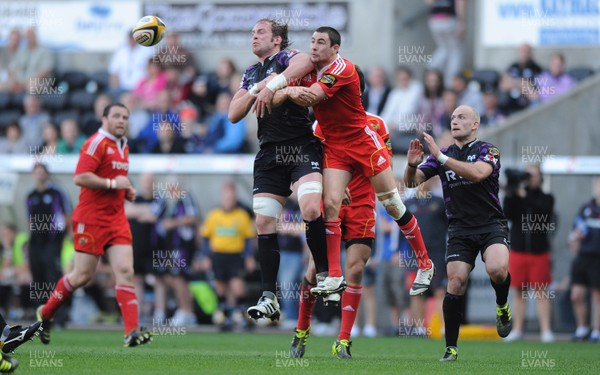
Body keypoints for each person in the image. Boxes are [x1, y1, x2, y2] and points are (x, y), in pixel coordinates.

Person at [269, 26, 434, 299]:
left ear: (335, 49)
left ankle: (425, 264)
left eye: (321, 42)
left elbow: (313, 97)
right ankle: (334, 275)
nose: (314, 46)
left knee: (392, 204)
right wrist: (277, 86)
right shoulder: (307, 69)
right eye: (312, 41)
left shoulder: (343, 69)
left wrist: (281, 86)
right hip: (335, 146)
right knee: (331, 204)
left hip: (362, 142)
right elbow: (277, 98)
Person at [228, 19, 329, 321]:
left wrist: (273, 85)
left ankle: (325, 276)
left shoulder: (288, 57)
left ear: (277, 40)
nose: (253, 36)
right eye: (252, 32)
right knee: (263, 224)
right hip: (270, 153)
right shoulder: (250, 73)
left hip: (300, 145)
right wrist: (260, 87)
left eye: (259, 32)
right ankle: (269, 296)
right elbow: (234, 113)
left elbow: (305, 61)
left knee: (310, 207)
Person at [35, 103, 153, 347]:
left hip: (116, 219)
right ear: (104, 119)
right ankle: (45, 313)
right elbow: (80, 176)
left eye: (125, 117)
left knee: (125, 271)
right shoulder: (96, 143)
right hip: (91, 219)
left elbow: (116, 177)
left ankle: (131, 332)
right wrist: (113, 185)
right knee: (81, 276)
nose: (122, 120)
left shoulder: (124, 145)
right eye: (117, 116)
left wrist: (127, 189)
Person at [404, 105, 512, 362]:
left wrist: (441, 159)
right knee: (455, 281)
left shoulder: (488, 150)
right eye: (452, 117)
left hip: (490, 224)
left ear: (475, 124)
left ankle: (502, 306)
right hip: (460, 228)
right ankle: (450, 348)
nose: (455, 121)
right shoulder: (443, 154)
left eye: (462, 117)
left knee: (497, 269)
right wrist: (410, 165)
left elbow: (478, 174)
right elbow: (410, 183)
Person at [290, 105, 392, 359]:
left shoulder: (377, 124)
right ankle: (302, 330)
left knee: (356, 269)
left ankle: (344, 340)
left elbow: (384, 165)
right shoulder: (321, 125)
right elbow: (310, 166)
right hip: (332, 201)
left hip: (362, 203)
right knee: (315, 267)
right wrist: (329, 185)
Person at [503, 164, 555, 342]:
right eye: (528, 175)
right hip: (518, 250)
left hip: (539, 252)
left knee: (541, 291)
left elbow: (543, 213)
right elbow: (507, 214)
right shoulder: (517, 196)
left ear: (540, 177)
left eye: (534, 175)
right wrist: (511, 192)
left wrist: (523, 195)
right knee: (519, 291)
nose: (531, 178)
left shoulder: (547, 198)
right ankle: (517, 329)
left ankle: (545, 331)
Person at [200, 180, 255, 331]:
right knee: (220, 288)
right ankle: (225, 317)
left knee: (238, 287)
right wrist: (205, 257)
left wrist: (249, 257)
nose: (228, 201)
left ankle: (244, 315)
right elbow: (206, 238)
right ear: (222, 199)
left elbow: (248, 239)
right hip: (218, 255)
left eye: (231, 199)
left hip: (235, 255)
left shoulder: (242, 216)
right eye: (226, 198)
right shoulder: (213, 216)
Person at [25, 163, 72, 326]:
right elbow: (29, 220)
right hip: (35, 243)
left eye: (41, 172)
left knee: (53, 278)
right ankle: (41, 316)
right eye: (36, 172)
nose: (39, 175)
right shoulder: (30, 196)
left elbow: (67, 215)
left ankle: (59, 315)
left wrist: (66, 236)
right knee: (38, 279)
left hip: (53, 242)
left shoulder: (57, 192)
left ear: (46, 174)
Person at [569, 177, 600, 342]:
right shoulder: (586, 208)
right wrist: (574, 239)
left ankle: (597, 331)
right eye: (598, 185)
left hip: (598, 258)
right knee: (577, 295)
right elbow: (574, 234)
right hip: (583, 257)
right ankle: (582, 328)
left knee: (597, 296)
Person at [425, 0, 466, 88]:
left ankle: (430, 70)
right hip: (449, 18)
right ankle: (450, 83)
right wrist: (462, 24)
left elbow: (429, 2)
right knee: (455, 53)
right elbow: (460, 3)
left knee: (443, 49)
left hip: (435, 19)